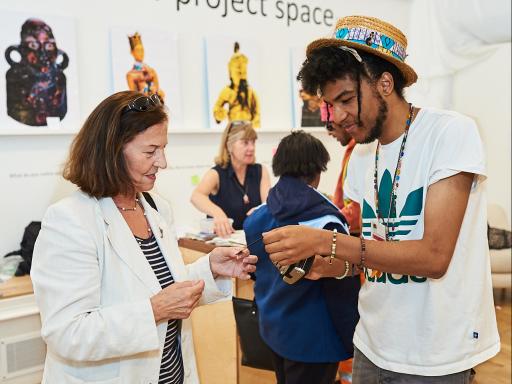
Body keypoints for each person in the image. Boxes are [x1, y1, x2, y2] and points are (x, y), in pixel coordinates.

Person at [263, 15, 500, 383]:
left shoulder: (449, 132)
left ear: (385, 83)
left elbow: (434, 257)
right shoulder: (360, 156)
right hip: (371, 344)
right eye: (330, 104)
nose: (337, 116)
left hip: (435, 352)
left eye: (345, 99)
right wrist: (332, 266)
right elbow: (375, 252)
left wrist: (328, 242)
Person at [31, 91, 257, 384]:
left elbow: (158, 285)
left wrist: (210, 269)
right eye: (150, 152)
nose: (162, 162)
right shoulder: (71, 220)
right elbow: (67, 332)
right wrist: (153, 311)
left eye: (163, 149)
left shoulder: (155, 207)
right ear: (112, 151)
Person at [244, 131, 360, 384]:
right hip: (317, 340)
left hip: (274, 329)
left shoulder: (256, 217)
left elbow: (255, 272)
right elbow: (341, 291)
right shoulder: (326, 224)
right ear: (318, 170)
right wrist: (350, 337)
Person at [190, 120, 270, 237]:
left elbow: (268, 202)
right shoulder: (216, 174)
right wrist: (218, 213)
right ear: (229, 145)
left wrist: (263, 209)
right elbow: (196, 196)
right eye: (245, 142)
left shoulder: (261, 170)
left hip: (253, 240)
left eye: (253, 142)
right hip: (224, 243)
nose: (251, 148)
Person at [321, 101, 361, 236]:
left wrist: (329, 222)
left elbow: (359, 207)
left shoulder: (361, 148)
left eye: (329, 126)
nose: (328, 133)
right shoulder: (353, 148)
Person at [213, 42, 260, 128]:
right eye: (238, 72)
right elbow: (217, 110)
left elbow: (257, 112)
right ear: (231, 72)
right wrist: (224, 114)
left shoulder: (250, 92)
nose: (241, 75)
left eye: (243, 72)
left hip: (248, 128)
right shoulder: (227, 91)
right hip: (234, 128)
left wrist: (253, 126)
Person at [126, 32, 165, 101]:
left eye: (142, 50)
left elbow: (158, 90)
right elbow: (133, 97)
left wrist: (157, 92)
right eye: (138, 50)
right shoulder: (131, 75)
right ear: (132, 52)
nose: (141, 53)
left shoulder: (151, 71)